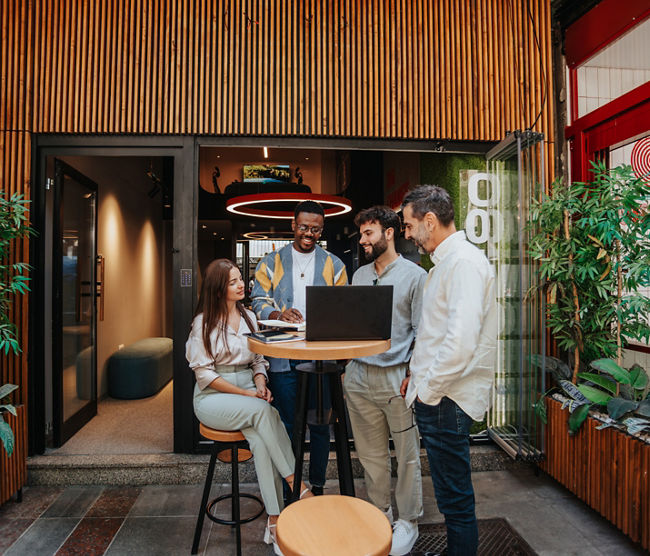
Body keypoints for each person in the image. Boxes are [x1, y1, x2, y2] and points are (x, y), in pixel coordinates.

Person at [185, 258, 312, 555]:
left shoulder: (250, 318)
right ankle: (296, 483)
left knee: (261, 439)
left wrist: (260, 384)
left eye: (241, 279)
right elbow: (205, 375)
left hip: (247, 390)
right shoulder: (202, 323)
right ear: (218, 290)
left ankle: (275, 518)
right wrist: (249, 397)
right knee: (264, 411)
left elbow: (258, 359)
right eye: (233, 282)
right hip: (213, 396)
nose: (241, 284)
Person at [400, 186, 497, 556]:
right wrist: (417, 376)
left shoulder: (463, 263)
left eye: (409, 225)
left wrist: (428, 391)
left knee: (455, 502)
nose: (407, 234)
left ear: (429, 220)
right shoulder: (448, 263)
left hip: (446, 399)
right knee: (450, 496)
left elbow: (460, 343)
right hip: (439, 394)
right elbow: (437, 335)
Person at [343, 206, 426, 556]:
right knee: (370, 454)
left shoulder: (415, 276)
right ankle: (380, 512)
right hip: (359, 375)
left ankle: (408, 521)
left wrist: (413, 374)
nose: (362, 240)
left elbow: (424, 332)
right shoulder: (359, 276)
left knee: (406, 454)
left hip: (397, 378)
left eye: (368, 233)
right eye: (361, 234)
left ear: (389, 233)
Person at [251, 200, 348, 496]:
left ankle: (317, 486)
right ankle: (292, 486)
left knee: (320, 427)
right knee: (287, 427)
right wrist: (278, 314)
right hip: (283, 359)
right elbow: (257, 301)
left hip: (320, 359)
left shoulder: (335, 265)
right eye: (304, 227)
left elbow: (344, 305)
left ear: (322, 229)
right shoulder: (271, 262)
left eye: (316, 229)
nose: (309, 233)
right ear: (293, 226)